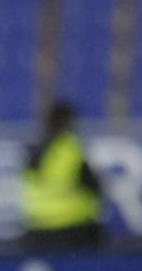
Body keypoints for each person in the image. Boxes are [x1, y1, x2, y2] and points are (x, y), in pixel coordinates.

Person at [21, 99, 105, 252]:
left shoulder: (30, 150)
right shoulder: (69, 149)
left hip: (36, 229)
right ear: (68, 122)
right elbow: (95, 188)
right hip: (73, 228)